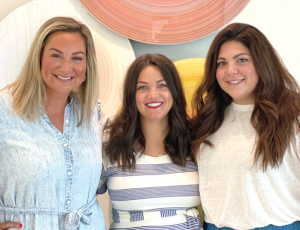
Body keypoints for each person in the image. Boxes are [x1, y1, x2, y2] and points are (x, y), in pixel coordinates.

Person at [0, 17, 107, 230]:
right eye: (56, 55)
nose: (66, 67)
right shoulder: (4, 111)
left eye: (77, 58)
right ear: (38, 58)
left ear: (87, 67)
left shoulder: (92, 114)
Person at [190, 23, 300, 230]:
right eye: (221, 63)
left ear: (262, 63)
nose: (230, 70)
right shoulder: (207, 121)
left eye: (242, 60)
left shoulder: (293, 117)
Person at [98, 54, 202, 229]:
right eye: (142, 87)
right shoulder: (111, 145)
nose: (153, 95)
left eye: (162, 85)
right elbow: (78, 199)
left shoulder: (195, 143)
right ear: (131, 95)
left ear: (174, 91)